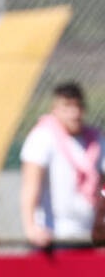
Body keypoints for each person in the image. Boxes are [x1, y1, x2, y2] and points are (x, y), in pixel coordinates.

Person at [19, 81, 105, 250]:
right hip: (54, 236)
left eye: (78, 106)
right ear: (55, 109)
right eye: (67, 107)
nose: (74, 113)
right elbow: (30, 185)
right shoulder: (42, 137)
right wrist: (31, 227)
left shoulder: (96, 140)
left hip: (89, 236)